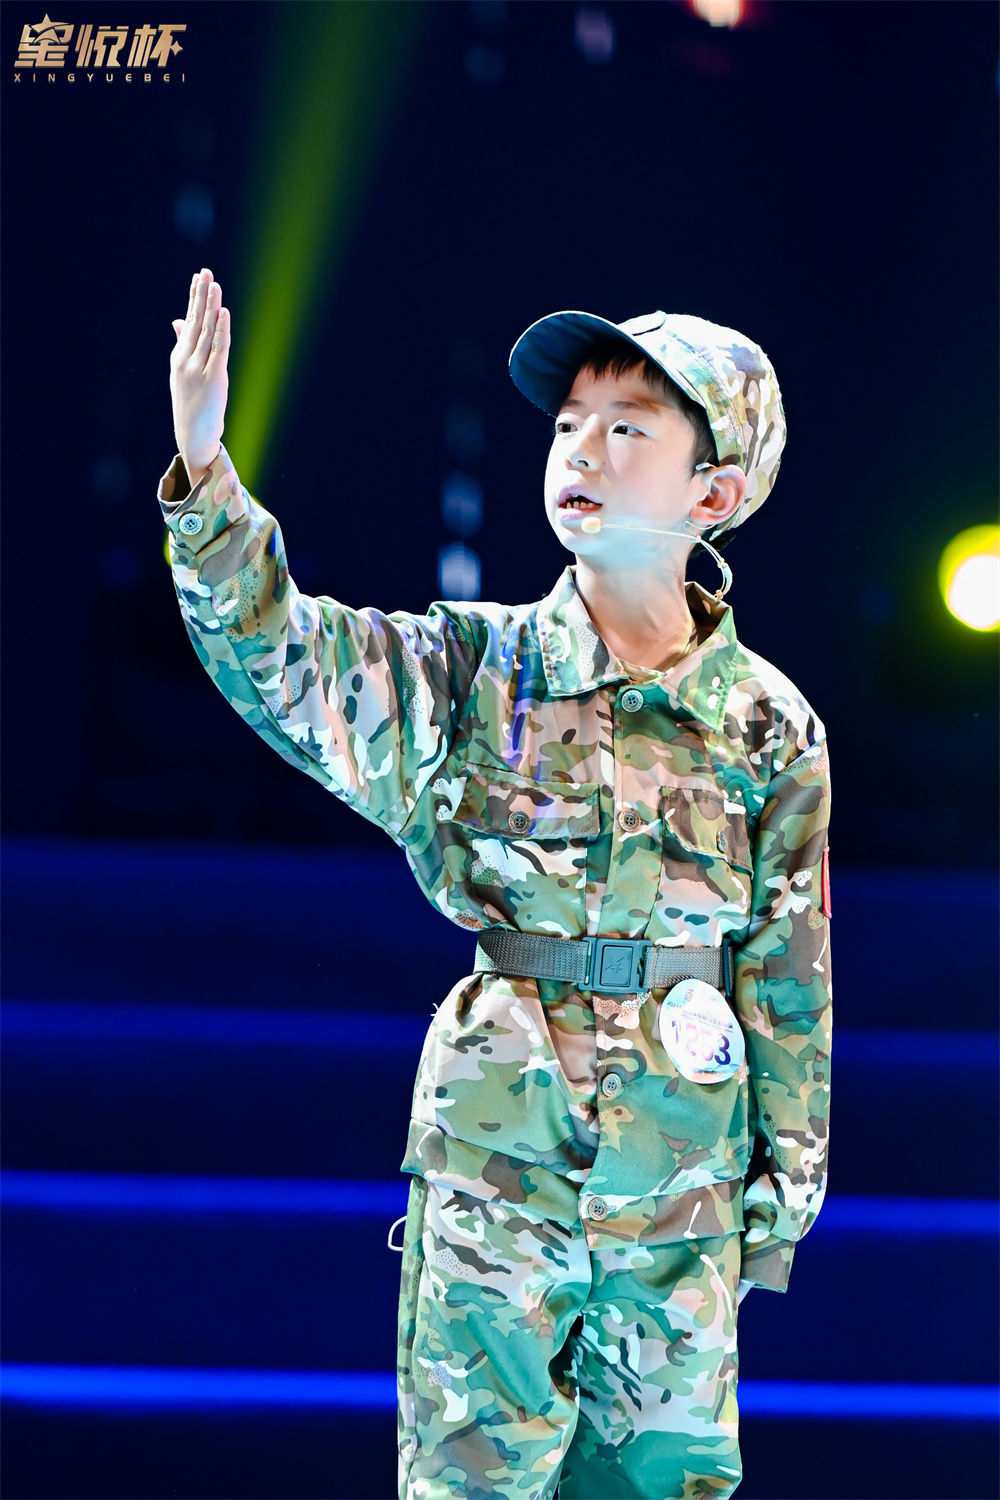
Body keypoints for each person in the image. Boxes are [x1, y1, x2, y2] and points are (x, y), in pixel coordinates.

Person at [163, 269, 832, 1500]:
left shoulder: (766, 725)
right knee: (474, 1481)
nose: (582, 447)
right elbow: (284, 656)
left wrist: (778, 1202)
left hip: (679, 1177)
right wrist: (206, 477)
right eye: (569, 422)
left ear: (715, 490)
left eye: (629, 427)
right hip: (497, 1159)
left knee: (663, 1486)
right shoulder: (476, 671)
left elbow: (789, 974)